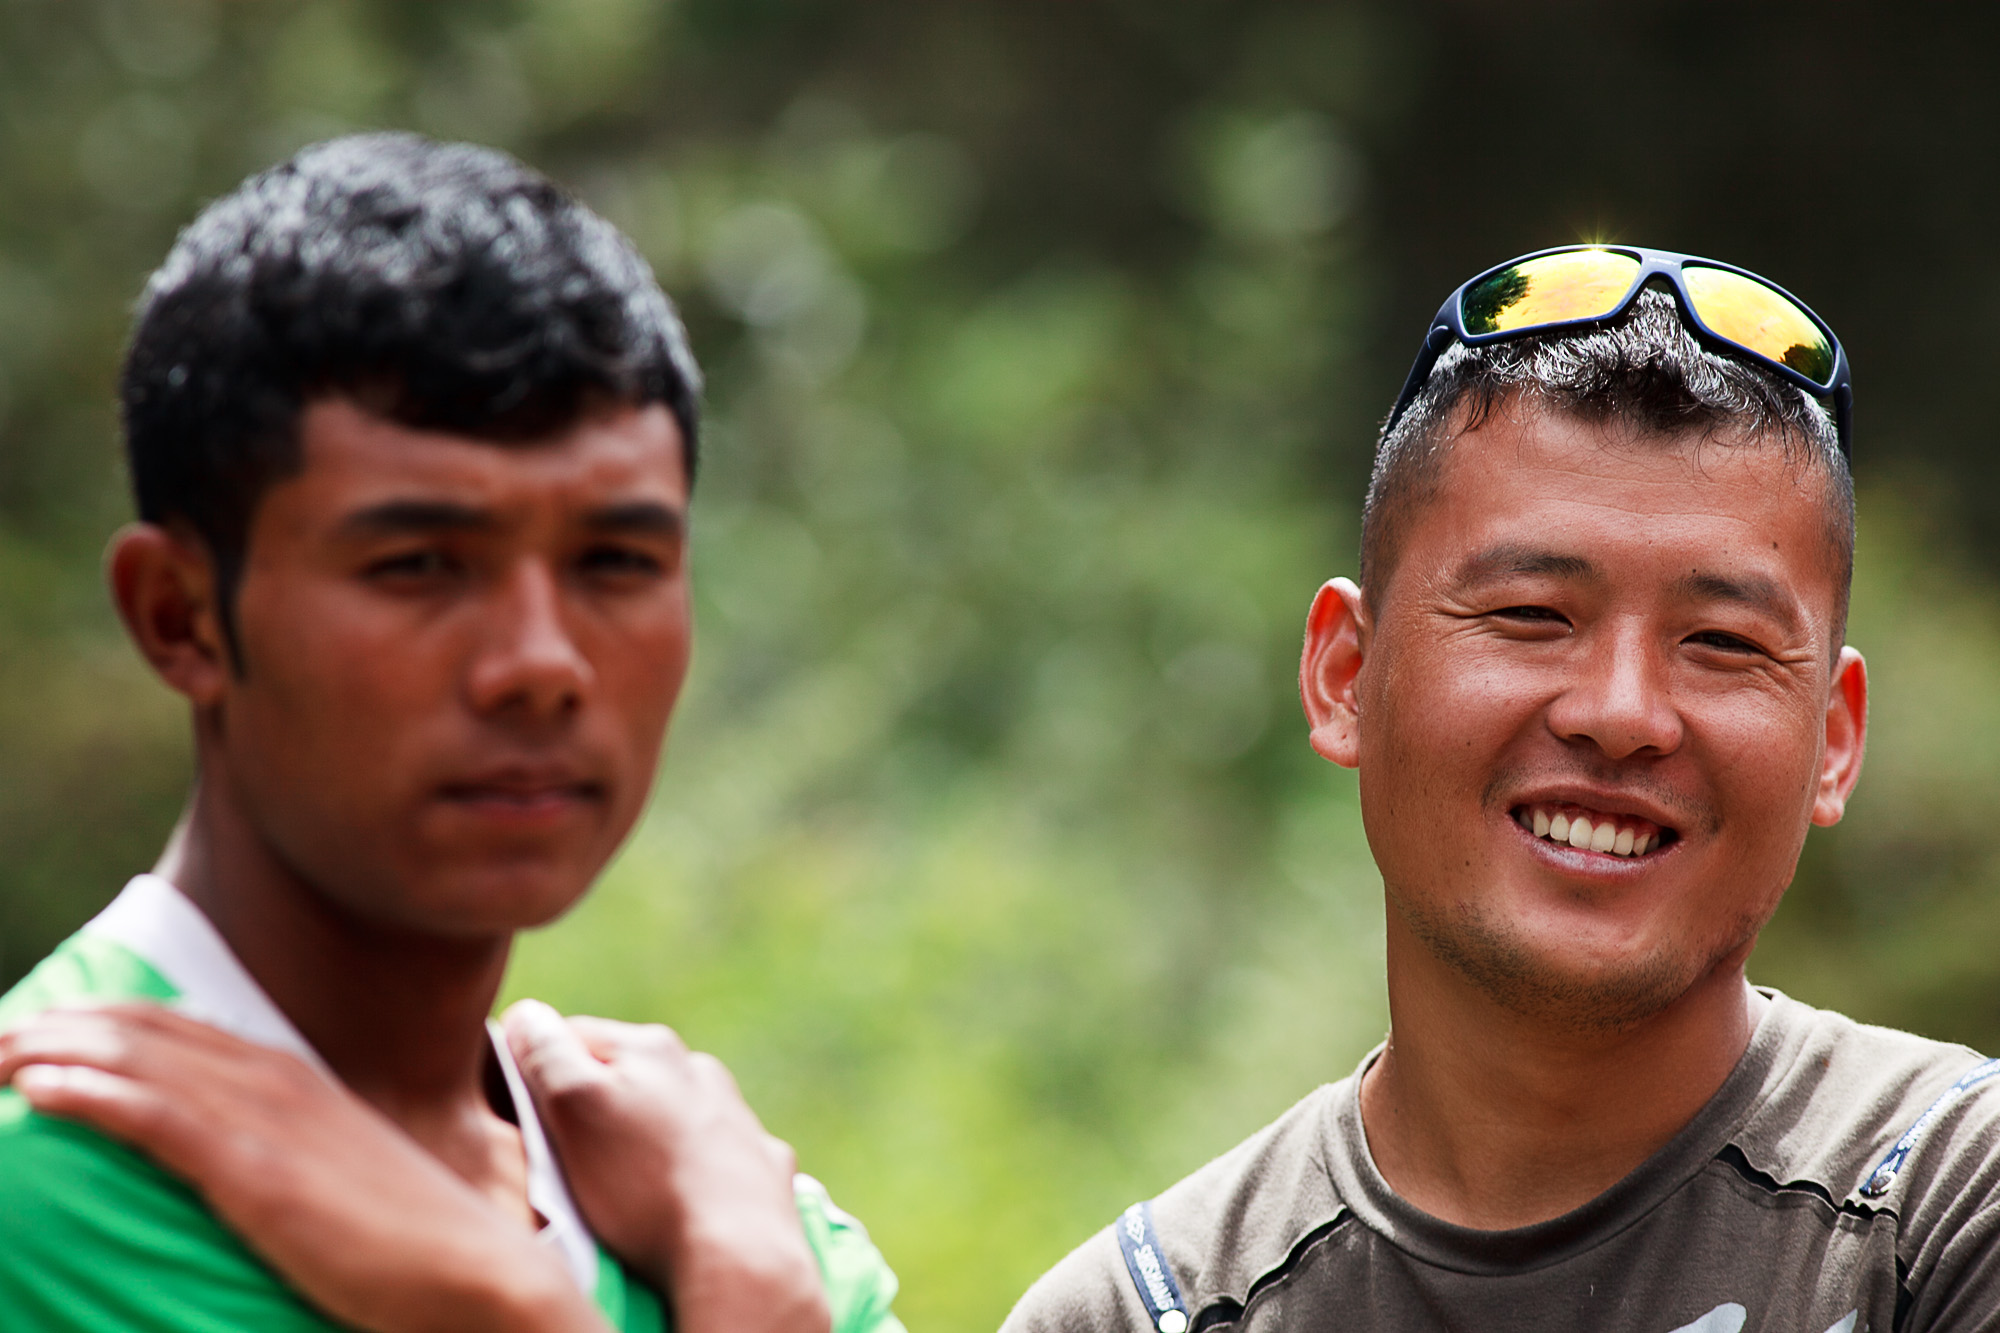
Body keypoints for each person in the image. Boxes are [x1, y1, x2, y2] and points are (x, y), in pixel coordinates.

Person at [0, 132, 903, 1333]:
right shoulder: (43, 1201)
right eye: (420, 564)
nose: (540, 663)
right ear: (181, 616)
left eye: (614, 561)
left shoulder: (743, 1224)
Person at [1000, 247, 2000, 1332]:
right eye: (1530, 615)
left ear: (1834, 741)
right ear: (1345, 675)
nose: (1621, 712)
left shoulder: (1947, 1213)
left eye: (1721, 641)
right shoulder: (1143, 1312)